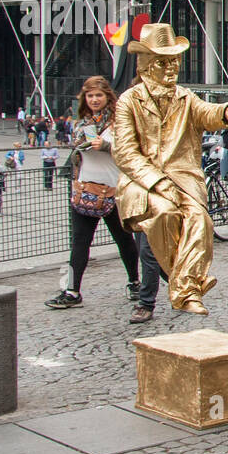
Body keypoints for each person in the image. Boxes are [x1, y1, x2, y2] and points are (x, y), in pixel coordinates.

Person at [111, 24, 228, 315]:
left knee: (200, 219)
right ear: (147, 66)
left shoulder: (185, 98)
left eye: (175, 61)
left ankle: (185, 288)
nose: (171, 67)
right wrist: (156, 181)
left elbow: (206, 112)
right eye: (163, 61)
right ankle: (185, 282)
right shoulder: (128, 101)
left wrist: (227, 111)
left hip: (183, 178)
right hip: (143, 182)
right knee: (164, 213)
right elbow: (124, 150)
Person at [45, 76, 141, 310]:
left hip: (113, 189)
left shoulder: (120, 121)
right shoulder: (81, 122)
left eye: (99, 95)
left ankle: (134, 282)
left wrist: (106, 146)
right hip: (86, 187)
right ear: (84, 99)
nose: (95, 100)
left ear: (107, 96)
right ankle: (72, 290)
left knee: (123, 239)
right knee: (79, 242)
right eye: (90, 96)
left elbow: (132, 150)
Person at [129, 231, 165, 324]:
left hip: (156, 217)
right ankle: (181, 289)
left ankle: (146, 304)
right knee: (147, 252)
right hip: (142, 217)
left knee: (147, 252)